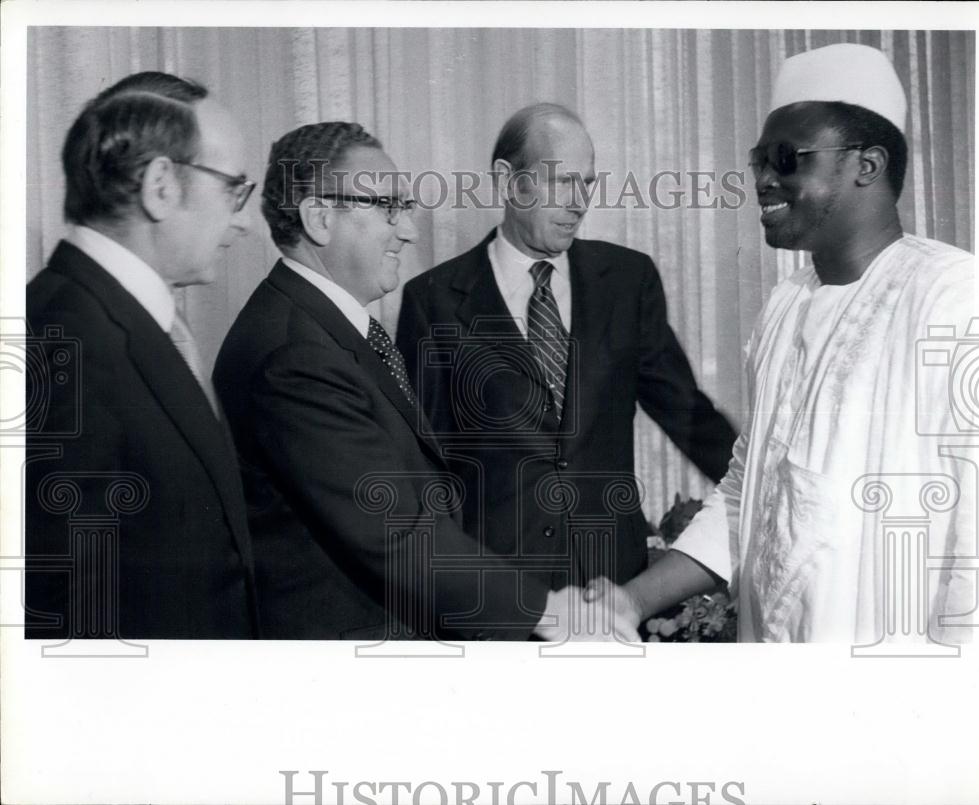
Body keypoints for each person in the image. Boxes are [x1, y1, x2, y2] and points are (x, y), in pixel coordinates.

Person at [587, 43, 975, 644]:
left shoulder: (954, 294)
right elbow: (752, 493)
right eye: (758, 161)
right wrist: (628, 601)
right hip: (772, 674)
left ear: (866, 165)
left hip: (895, 687)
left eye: (786, 158)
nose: (764, 179)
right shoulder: (785, 305)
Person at [213, 122, 633, 641]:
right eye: (387, 207)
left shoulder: (323, 328)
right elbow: (394, 529)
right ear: (320, 218)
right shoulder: (294, 354)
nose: (408, 230)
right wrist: (550, 613)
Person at [396, 103, 736, 610]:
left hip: (612, 588)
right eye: (561, 183)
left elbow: (688, 414)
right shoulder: (435, 298)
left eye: (588, 185)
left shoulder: (627, 281)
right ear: (509, 181)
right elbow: (423, 467)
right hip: (499, 599)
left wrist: (762, 494)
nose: (579, 204)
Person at [25, 71, 260, 639]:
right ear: (161, 185)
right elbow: (58, 615)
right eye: (234, 189)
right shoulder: (65, 340)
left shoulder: (116, 319)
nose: (246, 221)